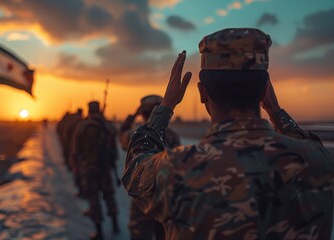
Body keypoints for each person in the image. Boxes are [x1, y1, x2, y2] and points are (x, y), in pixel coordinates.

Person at [122, 28, 334, 239]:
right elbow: (311, 147)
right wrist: (276, 112)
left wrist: (166, 106)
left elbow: (136, 167)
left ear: (203, 93)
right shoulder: (317, 162)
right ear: (264, 91)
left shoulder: (177, 169)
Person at [119, 95, 180, 240]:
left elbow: (121, 135)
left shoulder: (137, 136)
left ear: (143, 112)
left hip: (143, 201)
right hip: (166, 201)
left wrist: (133, 115)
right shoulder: (173, 136)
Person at [72, 101, 120, 240]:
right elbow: (114, 151)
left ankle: (99, 232)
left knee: (93, 199)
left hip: (89, 167)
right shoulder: (108, 127)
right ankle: (115, 225)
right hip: (105, 167)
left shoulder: (82, 127)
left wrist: (77, 167)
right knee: (109, 195)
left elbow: (76, 151)